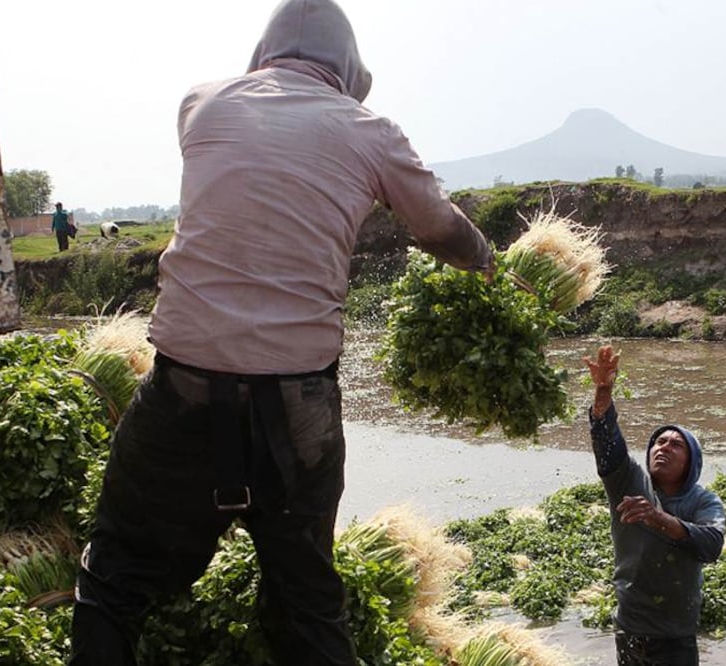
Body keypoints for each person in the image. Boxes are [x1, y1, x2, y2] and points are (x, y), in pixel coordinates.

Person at [69, 1, 493, 664]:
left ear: (262, 54)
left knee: (114, 579)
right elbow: (442, 231)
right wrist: (487, 261)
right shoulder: (372, 132)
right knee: (307, 601)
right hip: (299, 408)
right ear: (348, 71)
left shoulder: (202, 104)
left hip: (185, 389)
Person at [583, 345, 726, 666]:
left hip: (676, 635)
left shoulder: (703, 501)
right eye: (660, 442)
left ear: (692, 461)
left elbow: (711, 545)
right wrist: (603, 393)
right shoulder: (629, 481)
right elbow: (608, 444)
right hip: (630, 627)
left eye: (676, 445)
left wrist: (657, 517)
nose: (664, 448)